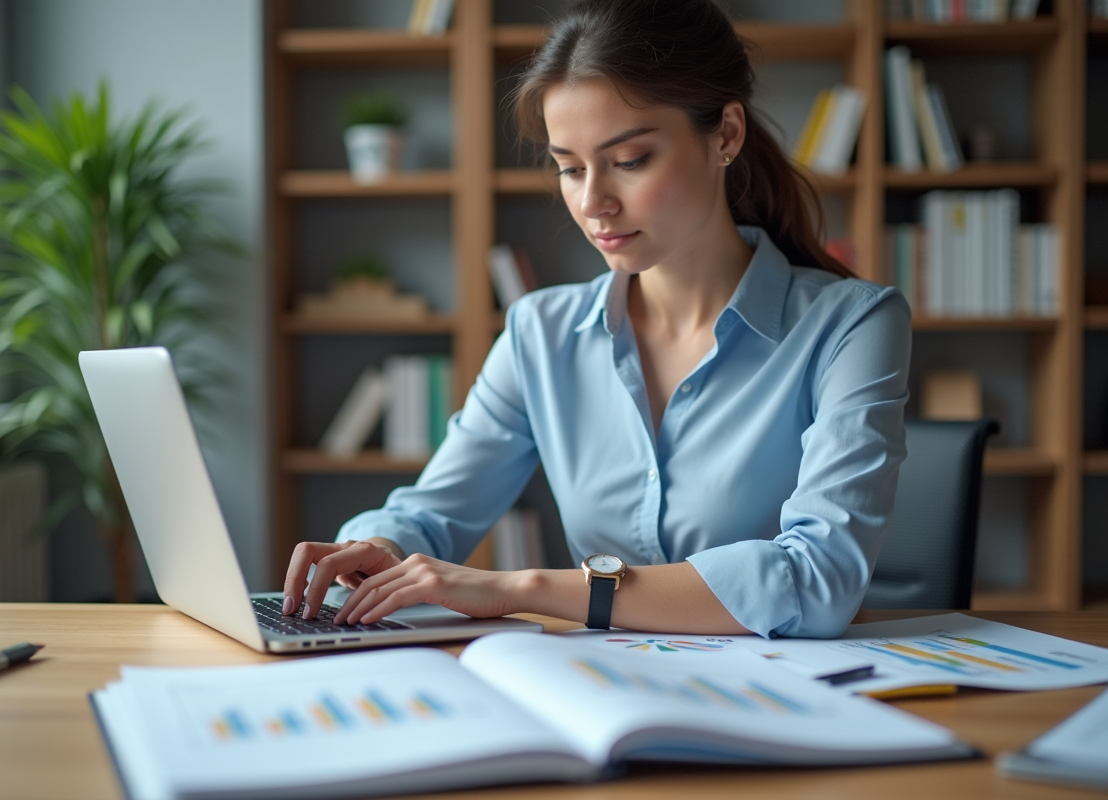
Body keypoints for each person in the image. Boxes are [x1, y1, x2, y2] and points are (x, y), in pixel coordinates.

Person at [282, 0, 910, 639]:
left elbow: (819, 579)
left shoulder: (852, 326)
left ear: (725, 134)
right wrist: (377, 547)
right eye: (570, 168)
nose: (593, 203)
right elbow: (431, 514)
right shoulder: (539, 333)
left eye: (631, 160)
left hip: (784, 706)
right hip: (599, 693)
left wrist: (522, 588)